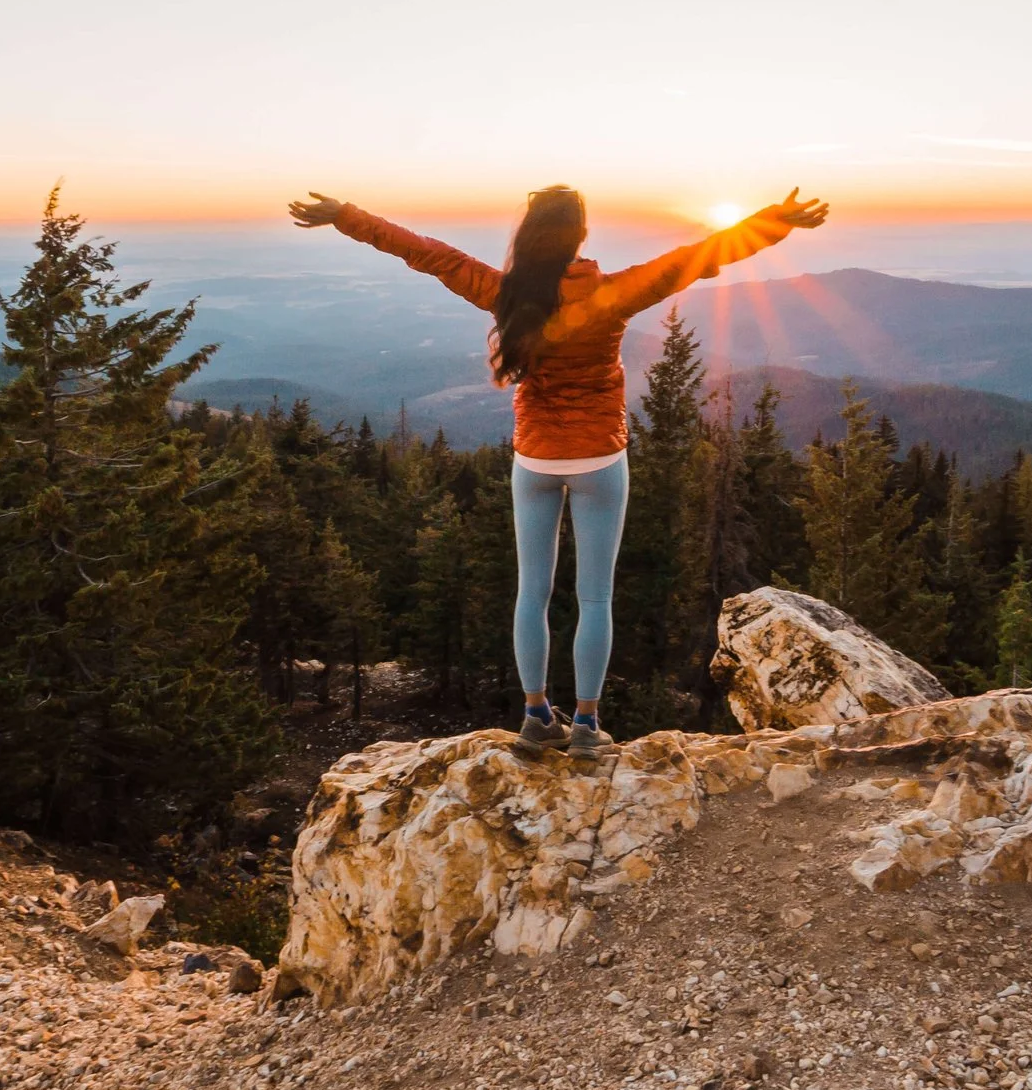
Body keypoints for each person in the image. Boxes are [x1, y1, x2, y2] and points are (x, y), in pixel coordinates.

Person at [288, 184, 829, 759]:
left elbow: (428, 253)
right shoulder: (616, 291)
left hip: (536, 459)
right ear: (581, 235)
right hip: (600, 457)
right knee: (595, 598)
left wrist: (345, 215)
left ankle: (536, 716)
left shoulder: (504, 293)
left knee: (533, 593)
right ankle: (589, 727)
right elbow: (700, 255)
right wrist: (774, 222)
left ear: (529, 232)